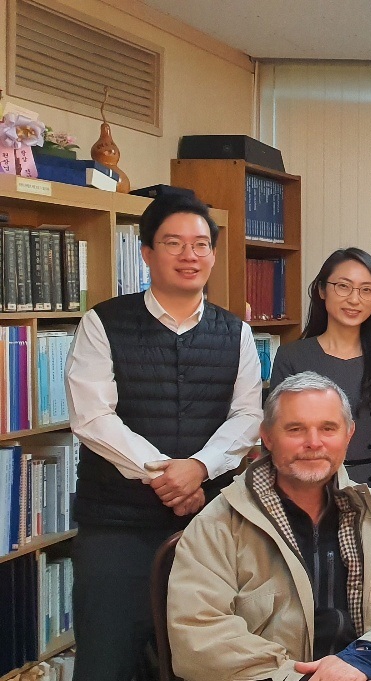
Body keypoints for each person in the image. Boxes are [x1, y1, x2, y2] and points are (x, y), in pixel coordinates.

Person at [65, 192, 263, 681]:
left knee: (201, 663)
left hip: (209, 525)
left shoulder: (236, 332)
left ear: (213, 255)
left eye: (200, 244)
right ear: (147, 253)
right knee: (107, 662)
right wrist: (167, 475)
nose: (189, 255)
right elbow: (93, 417)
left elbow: (247, 415)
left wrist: (198, 469)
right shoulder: (102, 323)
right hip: (116, 527)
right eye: (173, 243)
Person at [168, 372, 371, 681]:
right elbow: (199, 637)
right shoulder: (217, 525)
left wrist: (366, 658)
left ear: (349, 434)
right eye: (295, 429)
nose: (313, 443)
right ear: (267, 436)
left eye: (328, 428)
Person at [271, 247, 371, 500]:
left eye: (366, 290)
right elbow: (278, 436)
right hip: (307, 488)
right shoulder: (292, 357)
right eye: (343, 286)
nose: (354, 299)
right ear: (322, 290)